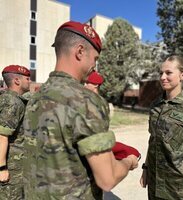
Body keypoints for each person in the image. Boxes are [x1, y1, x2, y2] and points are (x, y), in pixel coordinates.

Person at [23, 20, 138, 200]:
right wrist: (128, 161)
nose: (94, 65)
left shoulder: (34, 98)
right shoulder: (86, 101)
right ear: (80, 51)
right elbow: (107, 180)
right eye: (95, 59)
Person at [140, 55, 183, 200]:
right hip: (155, 183)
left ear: (182, 75)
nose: (162, 77)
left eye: (168, 73)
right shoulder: (155, 105)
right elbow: (153, 140)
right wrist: (146, 168)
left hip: (179, 187)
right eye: (161, 73)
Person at [0, 65, 31, 200]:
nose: (29, 81)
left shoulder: (6, 98)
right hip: (11, 167)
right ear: (17, 81)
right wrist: (2, 168)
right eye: (27, 78)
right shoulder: (13, 102)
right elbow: (2, 136)